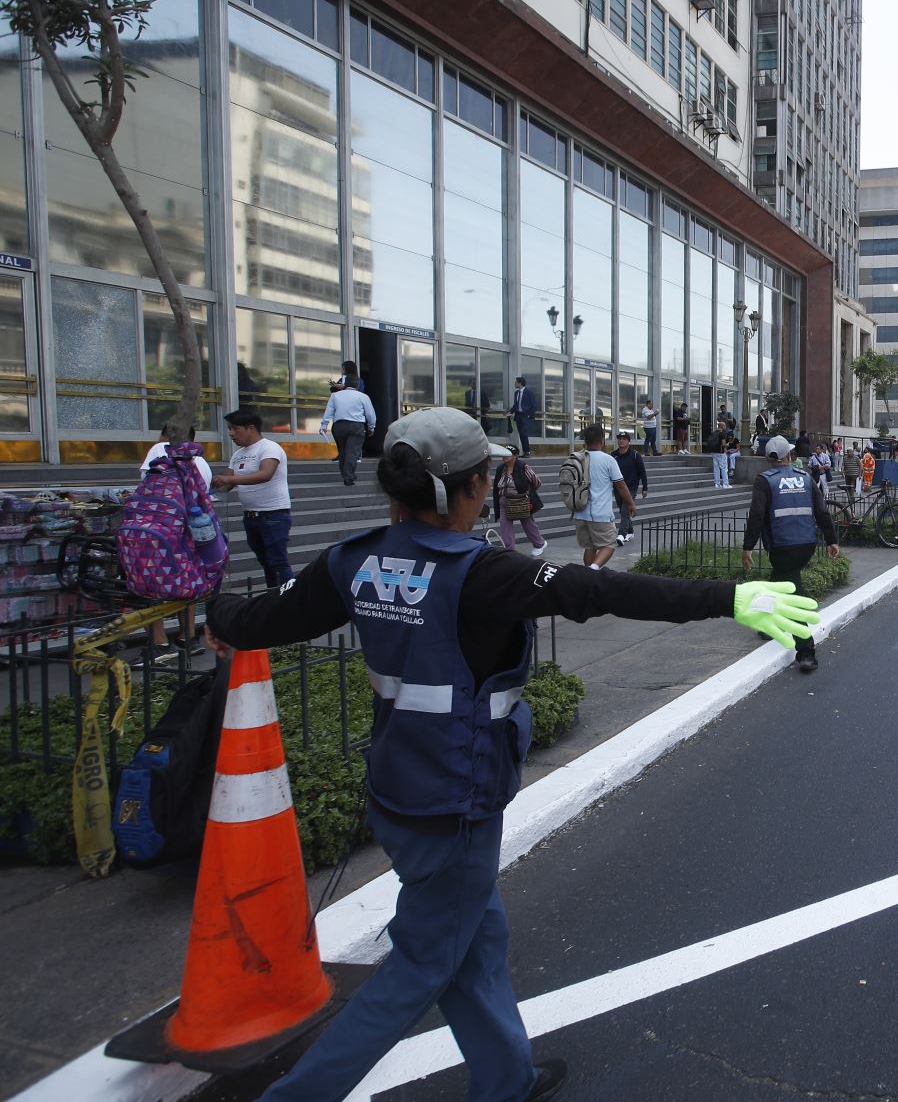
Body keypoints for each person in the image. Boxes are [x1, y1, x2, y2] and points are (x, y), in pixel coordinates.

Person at [204, 407, 817, 1102]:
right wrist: (728, 597)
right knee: (424, 964)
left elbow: (261, 617)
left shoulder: (352, 559)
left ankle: (505, 1079)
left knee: (474, 939)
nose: (493, 487)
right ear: (467, 489)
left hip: (399, 788)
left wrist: (216, 614)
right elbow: (596, 589)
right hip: (456, 797)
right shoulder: (478, 572)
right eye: (488, 477)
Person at [743, 436, 838, 674]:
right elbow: (822, 511)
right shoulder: (805, 477)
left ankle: (806, 651)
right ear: (789, 455)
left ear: (768, 458)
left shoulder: (764, 480)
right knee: (779, 581)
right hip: (807, 544)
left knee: (793, 592)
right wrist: (831, 539)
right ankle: (767, 625)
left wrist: (748, 546)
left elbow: (756, 515)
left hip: (781, 547)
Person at [140, 422, 211, 662]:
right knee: (186, 582)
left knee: (146, 580)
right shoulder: (200, 460)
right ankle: (188, 638)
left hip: (160, 530)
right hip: (192, 532)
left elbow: (146, 486)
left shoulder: (160, 450)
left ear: (164, 437)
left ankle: (159, 642)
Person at [213, 409, 292, 588]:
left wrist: (230, 479)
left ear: (251, 428)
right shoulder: (237, 455)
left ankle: (289, 597)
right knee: (266, 562)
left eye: (235, 428)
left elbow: (266, 474)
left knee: (277, 562)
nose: (231, 434)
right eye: (229, 429)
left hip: (273, 515)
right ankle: (274, 595)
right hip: (250, 517)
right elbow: (225, 484)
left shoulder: (269, 448)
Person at [570, 424, 633, 569]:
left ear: (585, 441)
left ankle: (588, 575)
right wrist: (631, 503)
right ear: (602, 440)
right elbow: (621, 485)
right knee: (609, 544)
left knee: (590, 546)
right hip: (600, 513)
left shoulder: (576, 459)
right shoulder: (608, 460)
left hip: (580, 512)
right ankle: (594, 568)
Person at [492, 445, 547, 557]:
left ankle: (539, 544)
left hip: (520, 500)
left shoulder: (523, 466)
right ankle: (509, 550)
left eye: (508, 454)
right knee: (505, 526)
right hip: (504, 502)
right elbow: (496, 486)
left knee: (528, 524)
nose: (504, 457)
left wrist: (527, 493)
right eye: (503, 454)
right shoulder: (500, 468)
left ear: (515, 456)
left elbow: (536, 482)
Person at [321, 379, 378, 487]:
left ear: (345, 385)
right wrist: (371, 427)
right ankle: (349, 477)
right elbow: (370, 414)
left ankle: (345, 474)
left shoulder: (335, 395)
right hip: (356, 426)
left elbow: (329, 411)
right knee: (352, 452)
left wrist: (324, 425)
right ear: (357, 385)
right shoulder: (363, 396)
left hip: (339, 426)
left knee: (343, 451)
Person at [613, 431, 649, 545]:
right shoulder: (613, 455)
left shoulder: (635, 455)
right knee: (623, 511)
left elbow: (642, 472)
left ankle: (621, 535)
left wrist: (645, 487)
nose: (621, 441)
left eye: (624, 439)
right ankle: (630, 531)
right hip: (618, 488)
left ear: (629, 442)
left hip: (631, 488)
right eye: (620, 439)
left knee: (625, 511)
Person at [508, 376, 537, 455]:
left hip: (526, 416)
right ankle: (525, 451)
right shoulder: (516, 393)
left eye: (516, 382)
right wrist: (510, 412)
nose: (515, 383)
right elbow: (516, 405)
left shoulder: (529, 392)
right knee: (521, 433)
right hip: (518, 416)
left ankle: (527, 451)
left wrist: (529, 415)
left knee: (524, 433)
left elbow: (534, 405)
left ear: (520, 383)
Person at [705, 420, 730, 488]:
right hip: (721, 453)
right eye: (724, 425)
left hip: (714, 452)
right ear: (722, 426)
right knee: (724, 468)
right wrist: (727, 444)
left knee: (716, 468)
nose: (725, 427)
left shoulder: (713, 433)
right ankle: (725, 484)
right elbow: (723, 444)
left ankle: (717, 484)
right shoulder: (722, 433)